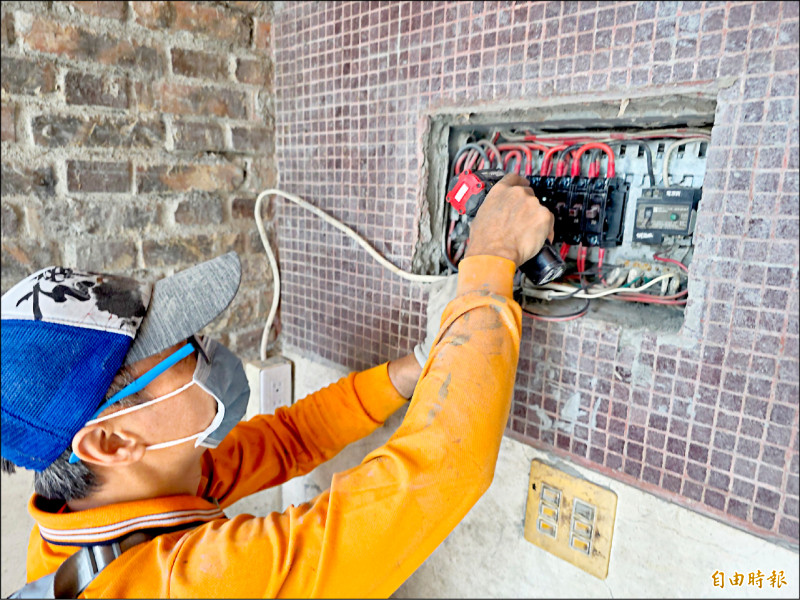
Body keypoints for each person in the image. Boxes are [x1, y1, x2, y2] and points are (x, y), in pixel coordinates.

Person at [1, 174, 554, 598]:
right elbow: (437, 476)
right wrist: (491, 259)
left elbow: (290, 438)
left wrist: (411, 370)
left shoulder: (110, 503)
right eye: (184, 352)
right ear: (111, 442)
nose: (209, 354)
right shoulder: (185, 584)